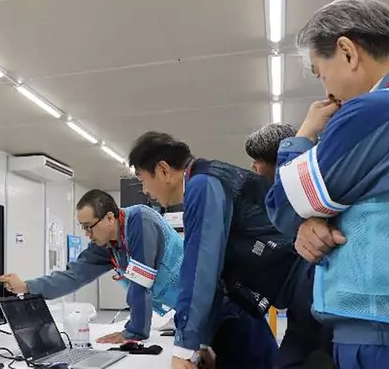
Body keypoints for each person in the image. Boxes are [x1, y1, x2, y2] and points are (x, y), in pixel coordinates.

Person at [0, 190, 275, 368]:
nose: (86, 234)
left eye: (88, 227)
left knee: (258, 359)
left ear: (108, 218)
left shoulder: (140, 221)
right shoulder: (106, 246)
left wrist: (135, 331)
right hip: (193, 313)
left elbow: (142, 280)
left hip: (225, 303)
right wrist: (28, 286)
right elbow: (73, 276)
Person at [265, 0, 389, 369]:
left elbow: (284, 204)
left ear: (347, 52)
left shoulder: (372, 110)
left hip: (375, 331)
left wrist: (302, 136)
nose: (327, 92)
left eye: (321, 72)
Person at [128, 131, 313, 369]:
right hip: (296, 289)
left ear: (163, 170)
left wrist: (185, 348)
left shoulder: (202, 184)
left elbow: (200, 269)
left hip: (307, 286)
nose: (144, 190)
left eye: (142, 179)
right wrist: (201, 341)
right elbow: (215, 273)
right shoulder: (207, 179)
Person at [249, 124, 335, 367]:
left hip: (325, 315)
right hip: (300, 312)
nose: (254, 168)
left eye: (257, 160)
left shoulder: (310, 202)